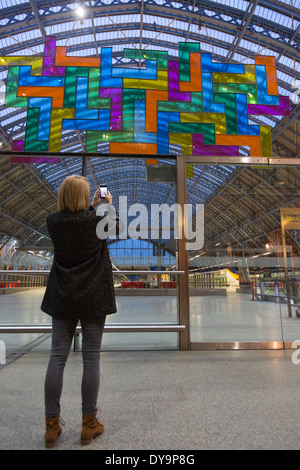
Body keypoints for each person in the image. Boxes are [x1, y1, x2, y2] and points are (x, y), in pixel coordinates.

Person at [41, 174, 118, 448]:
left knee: (57, 358)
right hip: (94, 295)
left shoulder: (53, 221)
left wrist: (90, 209)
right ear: (84, 197)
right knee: (91, 357)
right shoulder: (96, 220)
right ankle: (88, 424)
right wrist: (106, 205)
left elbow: (74, 223)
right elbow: (113, 228)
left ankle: (52, 426)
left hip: (62, 295)